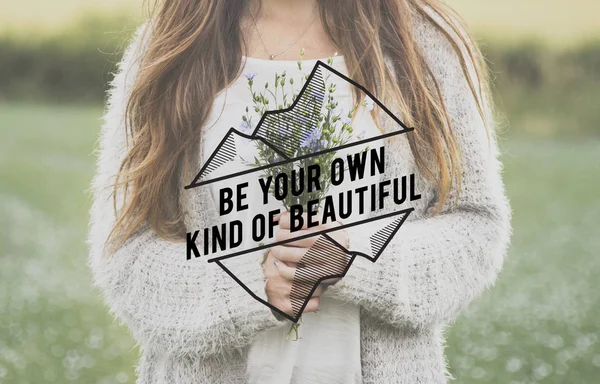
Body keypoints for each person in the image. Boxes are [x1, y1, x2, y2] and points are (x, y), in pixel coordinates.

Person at [88, 0, 512, 383]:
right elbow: (126, 255)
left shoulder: (422, 41)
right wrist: (252, 285)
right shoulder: (172, 45)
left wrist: (353, 257)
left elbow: (475, 227)